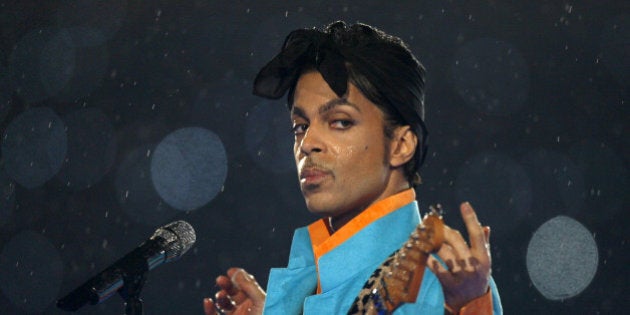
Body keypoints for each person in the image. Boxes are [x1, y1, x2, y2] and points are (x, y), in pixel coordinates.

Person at [203, 21, 502, 314]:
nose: (308, 142)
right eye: (300, 126)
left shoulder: (441, 279)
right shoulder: (312, 281)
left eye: (340, 122)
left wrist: (467, 308)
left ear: (401, 145)